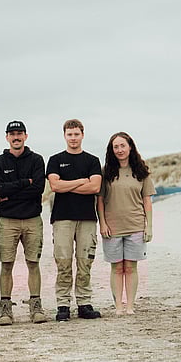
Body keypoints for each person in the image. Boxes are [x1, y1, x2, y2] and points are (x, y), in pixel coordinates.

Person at [0, 120, 47, 325]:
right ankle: (5, 310)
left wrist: (11, 193)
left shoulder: (37, 160)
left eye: (19, 133)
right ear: (7, 137)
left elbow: (38, 189)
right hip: (7, 221)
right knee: (6, 264)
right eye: (12, 134)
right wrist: (24, 183)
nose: (16, 137)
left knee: (33, 263)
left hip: (32, 219)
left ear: (25, 136)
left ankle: (36, 307)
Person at [46, 119, 102, 321]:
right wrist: (80, 181)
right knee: (63, 262)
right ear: (64, 136)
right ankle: (63, 305)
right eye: (69, 134)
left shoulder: (92, 160)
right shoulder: (55, 160)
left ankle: (84, 303)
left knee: (85, 262)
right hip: (62, 217)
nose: (73, 138)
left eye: (76, 134)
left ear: (82, 135)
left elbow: (95, 187)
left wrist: (66, 185)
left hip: (87, 217)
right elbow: (55, 186)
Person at [97, 132, 155, 315]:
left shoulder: (141, 171)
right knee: (116, 267)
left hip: (136, 225)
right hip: (112, 227)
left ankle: (130, 305)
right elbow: (100, 200)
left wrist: (149, 226)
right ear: (111, 150)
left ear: (130, 147)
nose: (119, 150)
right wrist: (102, 223)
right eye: (116, 147)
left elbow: (147, 201)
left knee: (130, 267)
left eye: (123, 145)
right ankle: (118, 306)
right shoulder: (106, 172)